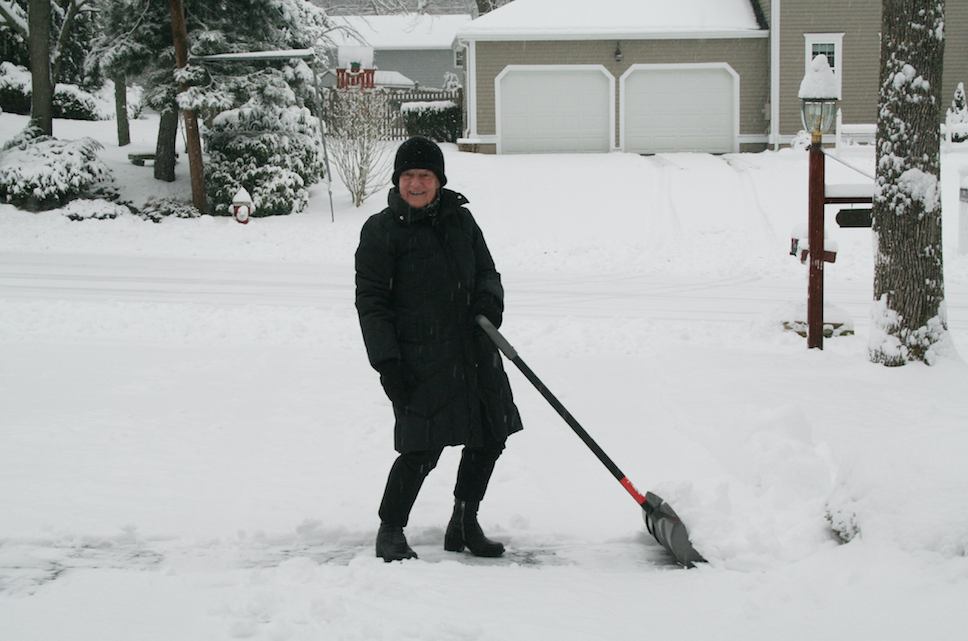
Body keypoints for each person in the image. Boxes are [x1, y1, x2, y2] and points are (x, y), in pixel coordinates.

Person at [355, 136, 522, 562]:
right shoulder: (381, 231)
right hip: (420, 357)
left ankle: (464, 521)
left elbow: (488, 272)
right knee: (420, 448)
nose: (416, 183)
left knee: (490, 435)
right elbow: (372, 302)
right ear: (397, 181)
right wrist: (387, 361)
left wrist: (488, 303)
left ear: (439, 180)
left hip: (473, 350)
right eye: (408, 175)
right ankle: (390, 528)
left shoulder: (461, 221)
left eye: (424, 175)